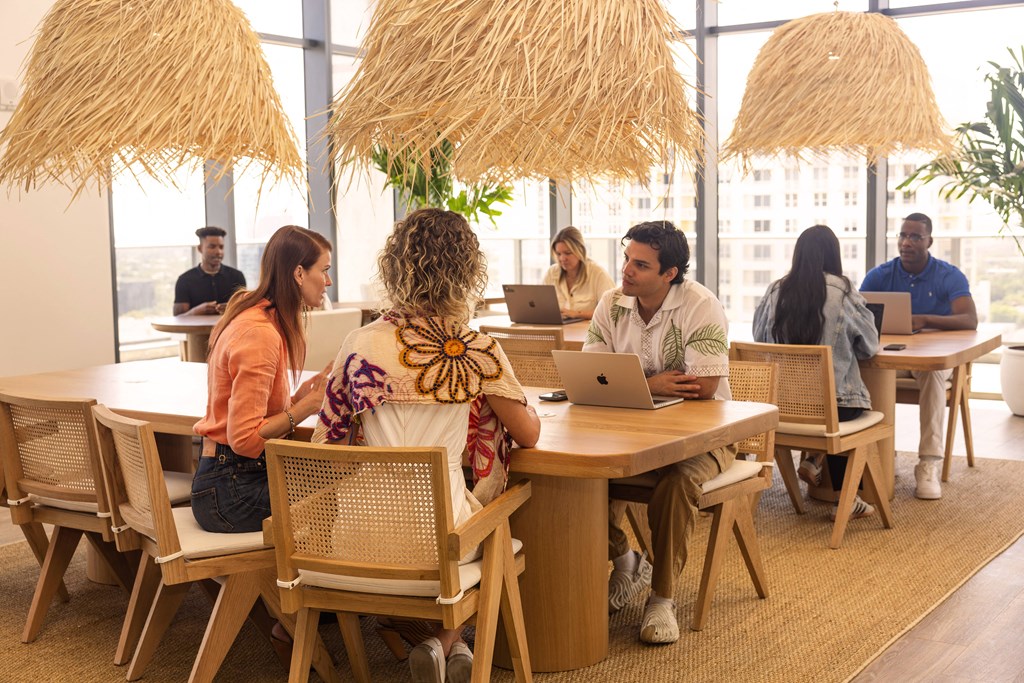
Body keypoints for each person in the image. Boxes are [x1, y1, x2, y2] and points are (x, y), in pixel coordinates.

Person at [312, 208, 540, 683]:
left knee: (439, 537)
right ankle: (448, 641)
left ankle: (442, 644)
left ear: (394, 267)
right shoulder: (473, 348)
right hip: (442, 541)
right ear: (467, 271)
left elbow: (327, 440)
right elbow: (529, 434)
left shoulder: (358, 344)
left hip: (353, 536)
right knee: (492, 521)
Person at [583, 220, 731, 645]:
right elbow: (593, 375)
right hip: (630, 432)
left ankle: (662, 598)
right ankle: (626, 560)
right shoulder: (611, 303)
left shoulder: (700, 304)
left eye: (640, 265)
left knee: (677, 480)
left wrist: (625, 384)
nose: (626, 270)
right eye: (627, 259)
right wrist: (651, 384)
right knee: (576, 473)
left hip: (708, 435)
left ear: (670, 273)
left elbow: (700, 388)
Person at [191, 225, 334, 534]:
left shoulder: (258, 318)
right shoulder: (260, 333)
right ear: (298, 273)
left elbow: (253, 419)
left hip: (230, 477)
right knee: (336, 493)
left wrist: (298, 398)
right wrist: (308, 406)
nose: (329, 281)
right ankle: (307, 580)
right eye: (324, 270)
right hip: (230, 492)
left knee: (331, 478)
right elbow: (244, 439)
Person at [753, 225, 880, 520]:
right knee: (843, 409)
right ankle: (847, 498)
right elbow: (869, 346)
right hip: (834, 411)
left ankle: (814, 457)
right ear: (834, 255)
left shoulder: (774, 291)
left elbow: (759, 340)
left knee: (828, 409)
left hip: (780, 410)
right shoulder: (844, 292)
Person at [860, 212, 978, 500]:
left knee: (933, 373)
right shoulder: (880, 275)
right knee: (866, 369)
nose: (906, 242)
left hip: (934, 363)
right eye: (903, 235)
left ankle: (928, 464)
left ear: (929, 241)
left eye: (915, 237)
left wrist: (924, 320)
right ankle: (878, 451)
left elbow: (969, 319)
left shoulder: (948, 275)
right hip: (894, 360)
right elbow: (857, 316)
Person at [541, 225, 615, 319]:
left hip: (586, 332)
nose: (562, 258)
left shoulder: (597, 273)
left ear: (580, 251)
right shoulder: (551, 273)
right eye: (558, 254)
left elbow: (611, 311)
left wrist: (578, 314)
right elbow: (542, 308)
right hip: (558, 330)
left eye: (568, 253)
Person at [173, 226, 247, 316]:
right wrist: (196, 311)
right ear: (200, 248)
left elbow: (246, 311)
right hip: (197, 330)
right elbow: (178, 319)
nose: (218, 252)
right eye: (212, 247)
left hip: (230, 330)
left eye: (221, 247)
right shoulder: (185, 280)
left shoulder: (237, 276)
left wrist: (230, 309)